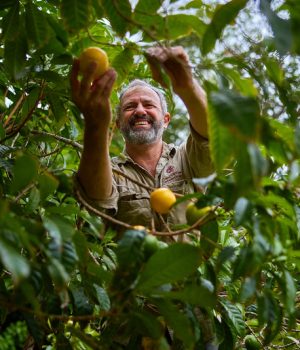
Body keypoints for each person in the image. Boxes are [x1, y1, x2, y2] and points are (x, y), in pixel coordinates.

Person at [70, 46, 214, 233]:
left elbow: (210, 135)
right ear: (119, 123)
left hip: (191, 262)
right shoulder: (111, 171)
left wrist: (188, 88)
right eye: (130, 106)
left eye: (148, 104)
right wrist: (95, 124)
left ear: (166, 120)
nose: (139, 111)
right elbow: (95, 197)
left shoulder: (186, 159)